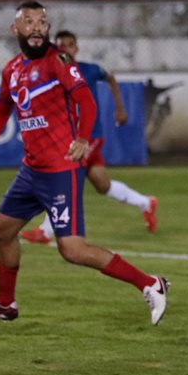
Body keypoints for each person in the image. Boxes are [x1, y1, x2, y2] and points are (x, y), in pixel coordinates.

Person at [0, 1, 168, 325]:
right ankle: (5, 304)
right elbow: (0, 112)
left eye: (43, 21)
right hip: (31, 170)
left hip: (61, 169)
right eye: (29, 22)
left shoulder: (59, 60)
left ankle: (151, 284)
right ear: (16, 30)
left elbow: (85, 98)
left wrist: (82, 137)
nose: (37, 27)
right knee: (1, 229)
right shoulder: (12, 70)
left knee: (72, 250)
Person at [21, 30, 157, 245]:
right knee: (103, 185)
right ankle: (146, 203)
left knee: (62, 176)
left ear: (76, 48)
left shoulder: (89, 70)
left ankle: (46, 232)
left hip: (88, 136)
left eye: (70, 44)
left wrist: (119, 109)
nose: (65, 48)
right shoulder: (53, 73)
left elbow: (110, 77)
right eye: (61, 45)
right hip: (67, 137)